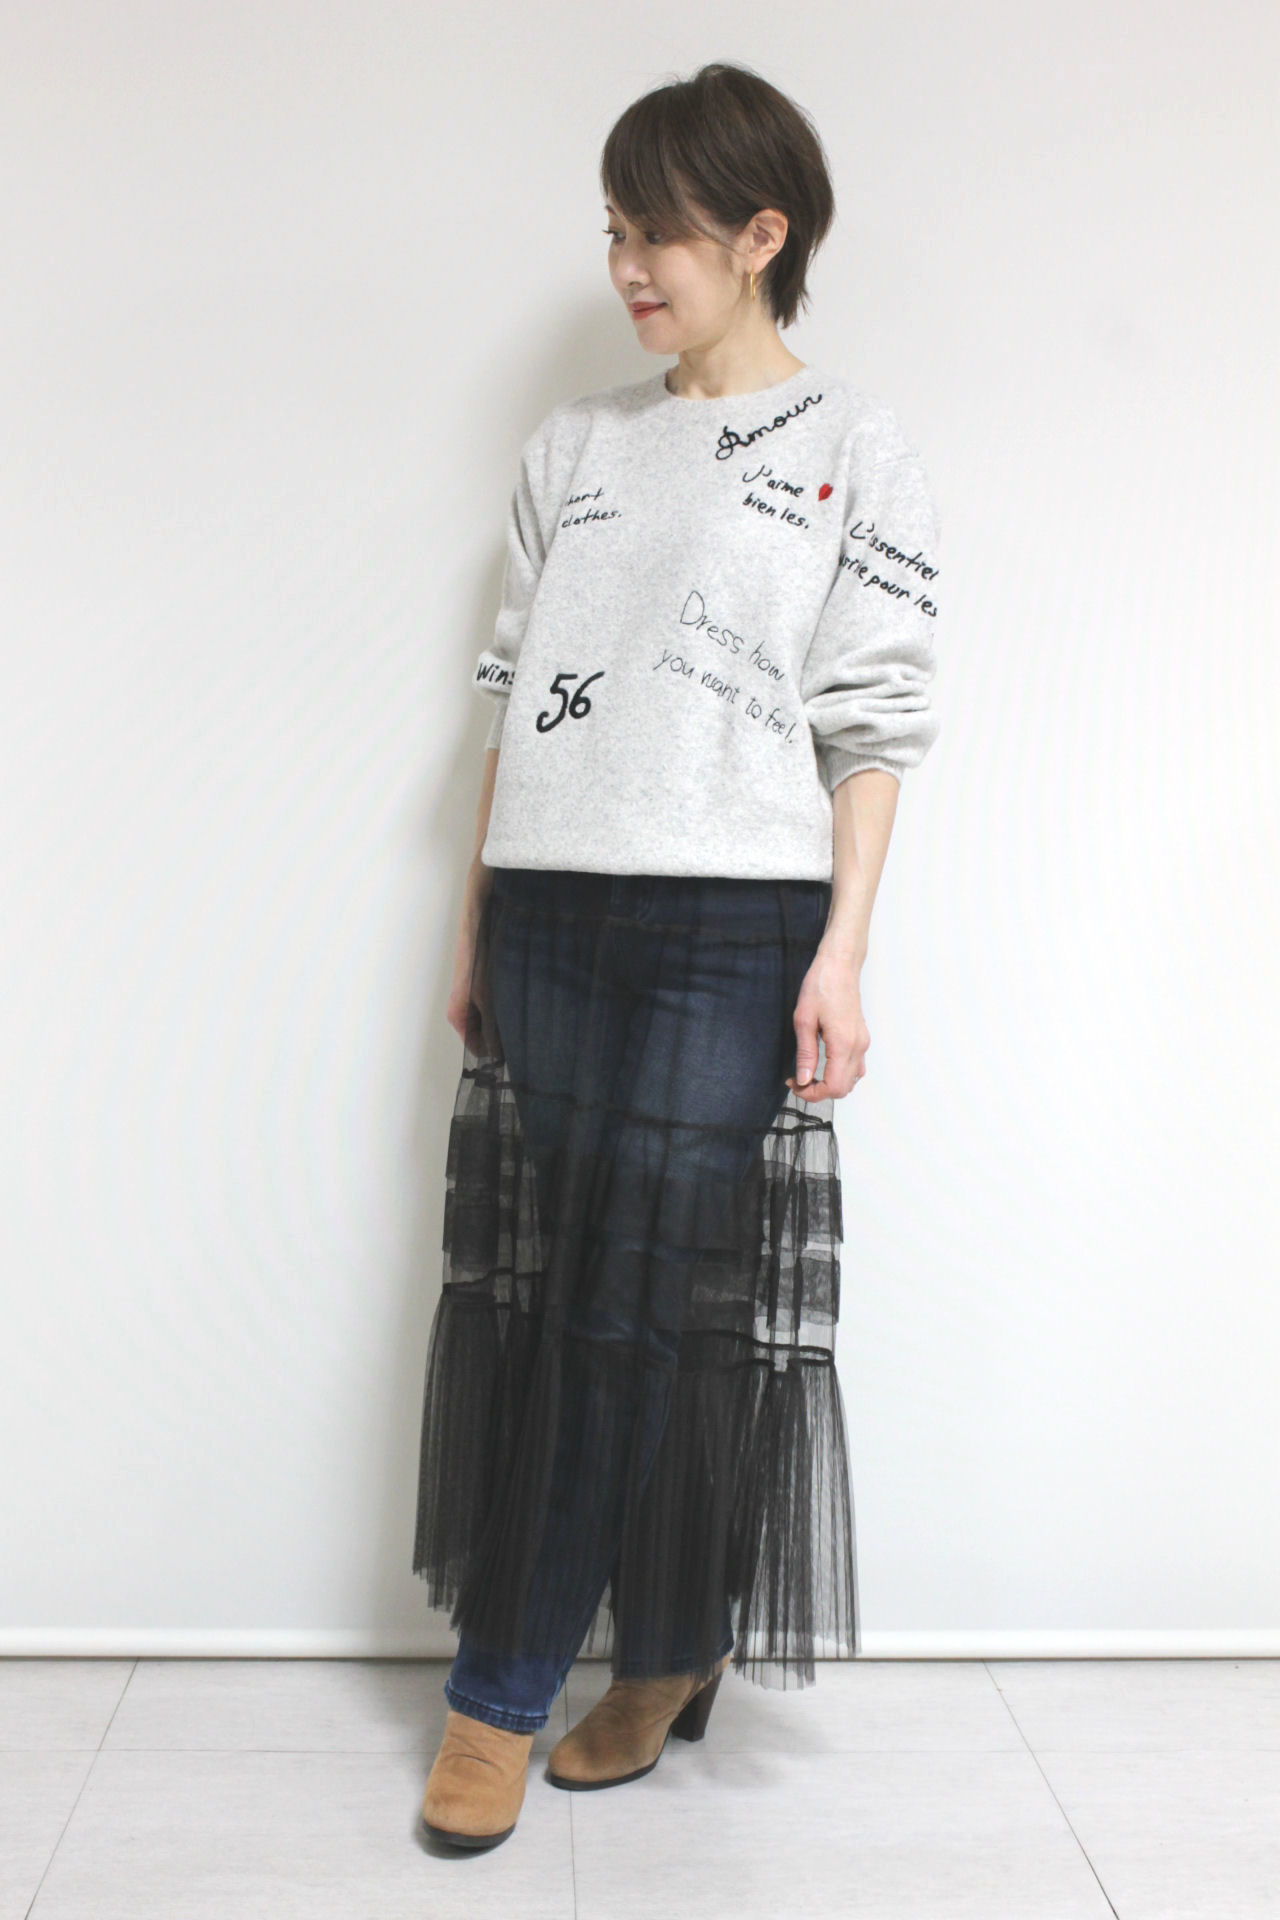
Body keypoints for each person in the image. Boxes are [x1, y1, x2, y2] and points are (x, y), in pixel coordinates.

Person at [415, 60, 942, 1850]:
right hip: (551, 912)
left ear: (762, 234)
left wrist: (844, 954)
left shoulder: (854, 442)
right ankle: (669, 1651)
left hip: (733, 925)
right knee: (579, 1292)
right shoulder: (576, 443)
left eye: (659, 232)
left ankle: (500, 1693)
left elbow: (873, 719)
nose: (629, 265)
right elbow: (508, 702)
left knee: (634, 1302)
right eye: (615, 231)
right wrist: (476, 922)